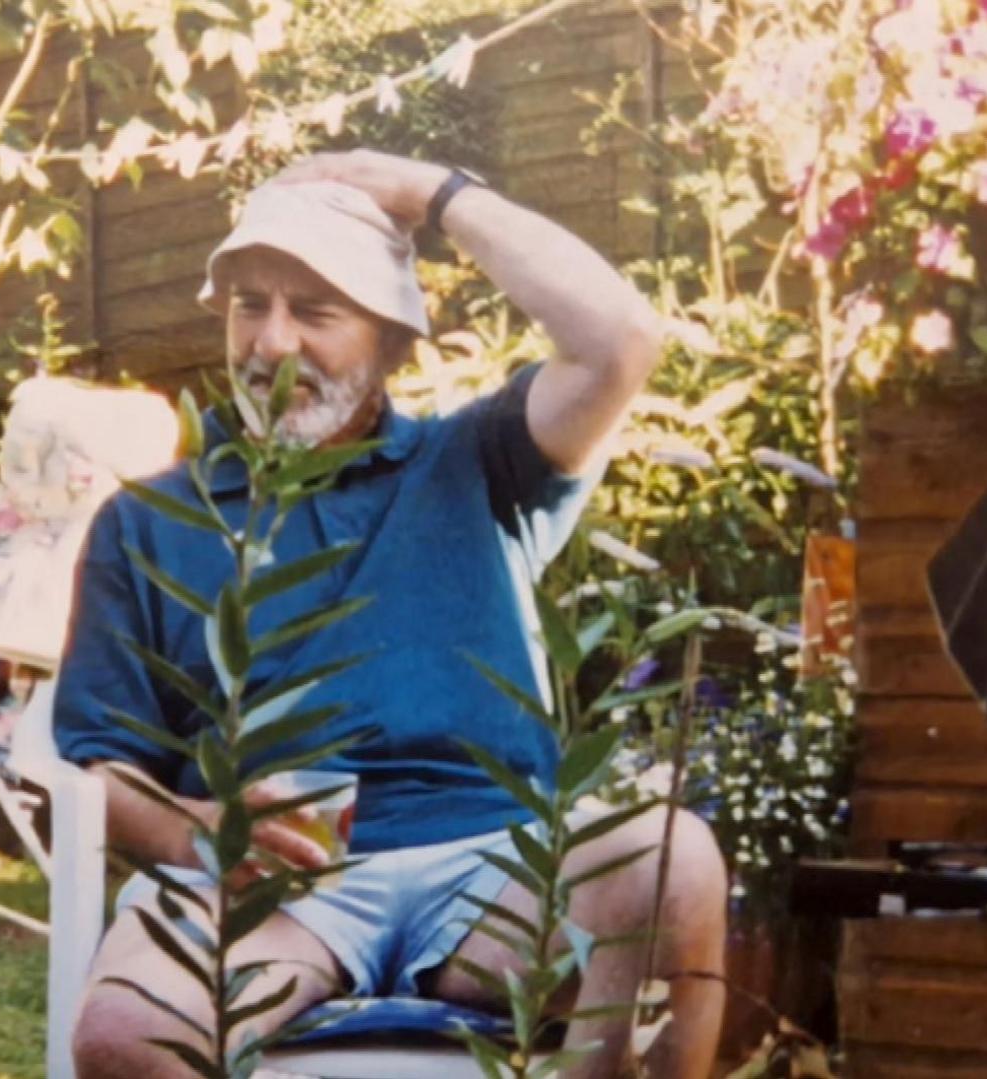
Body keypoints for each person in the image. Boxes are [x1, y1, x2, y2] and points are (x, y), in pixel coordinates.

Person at [55, 150, 728, 1078]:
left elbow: (619, 338)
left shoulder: (481, 462)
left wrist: (432, 195)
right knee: (125, 1037)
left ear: (392, 342)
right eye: (251, 305)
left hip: (497, 869)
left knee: (675, 858)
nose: (273, 343)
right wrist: (201, 827)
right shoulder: (149, 523)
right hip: (281, 895)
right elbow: (99, 768)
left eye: (316, 311)